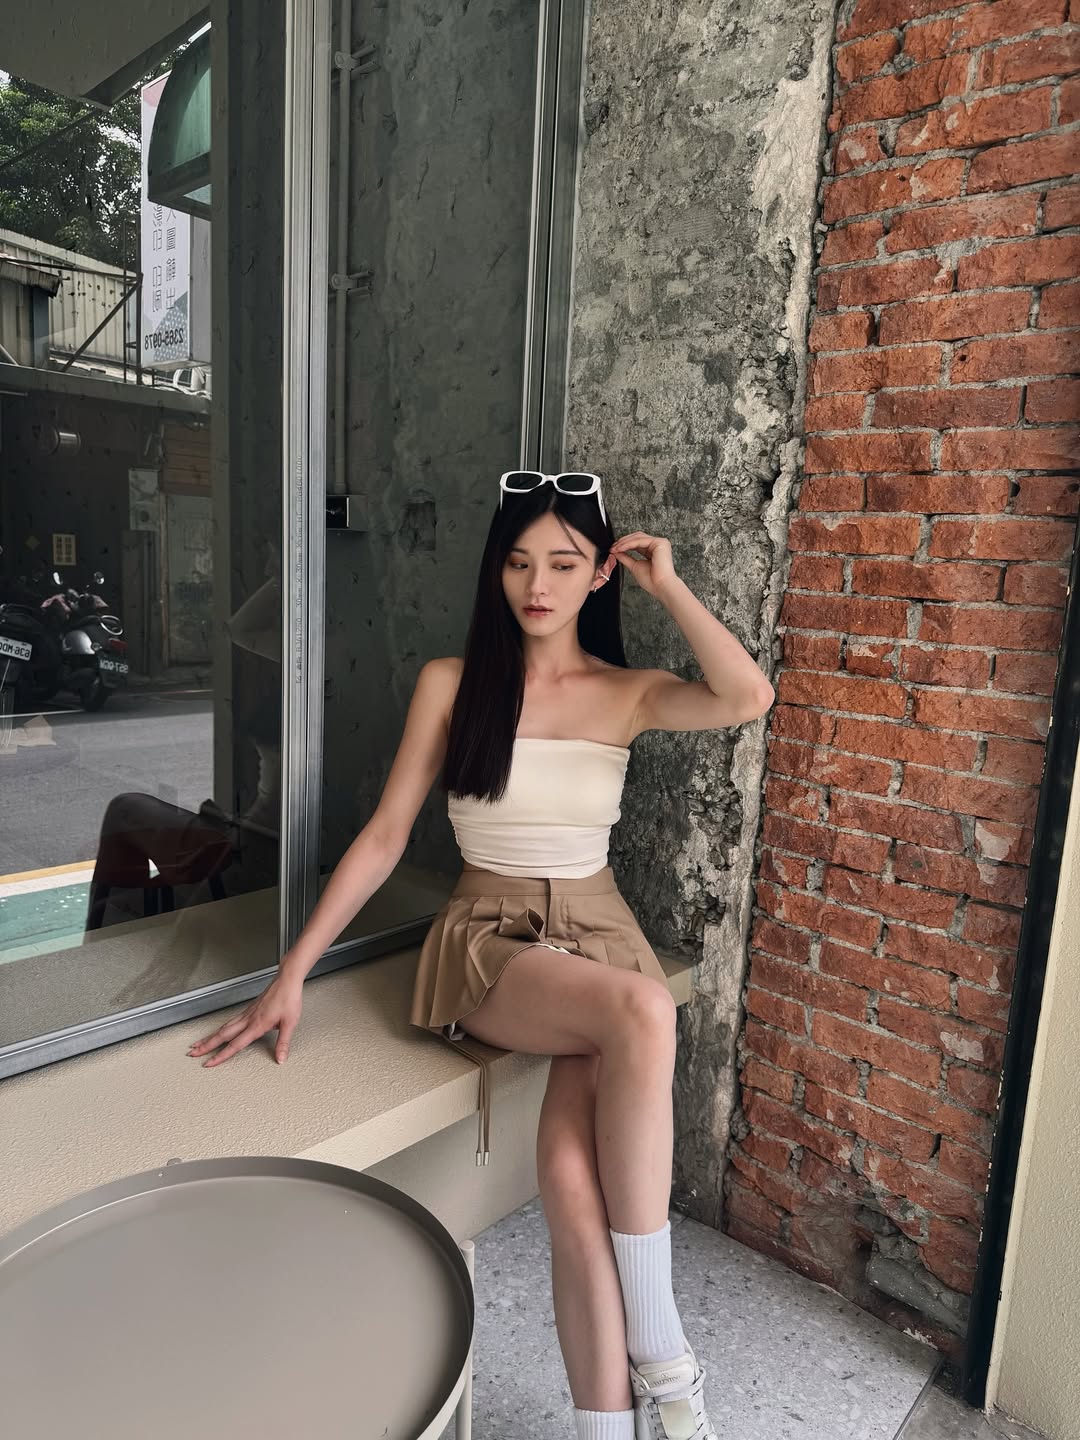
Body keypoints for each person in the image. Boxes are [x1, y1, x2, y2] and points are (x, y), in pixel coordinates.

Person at [187, 470, 775, 1440]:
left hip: (599, 932)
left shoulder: (628, 692)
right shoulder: (453, 684)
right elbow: (384, 836)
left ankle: (612, 1428)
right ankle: (667, 1354)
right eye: (517, 561)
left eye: (564, 563)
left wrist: (667, 584)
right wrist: (292, 973)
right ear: (495, 570)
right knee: (640, 1010)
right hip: (491, 938)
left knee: (574, 1194)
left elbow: (748, 695)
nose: (537, 585)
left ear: (600, 575)